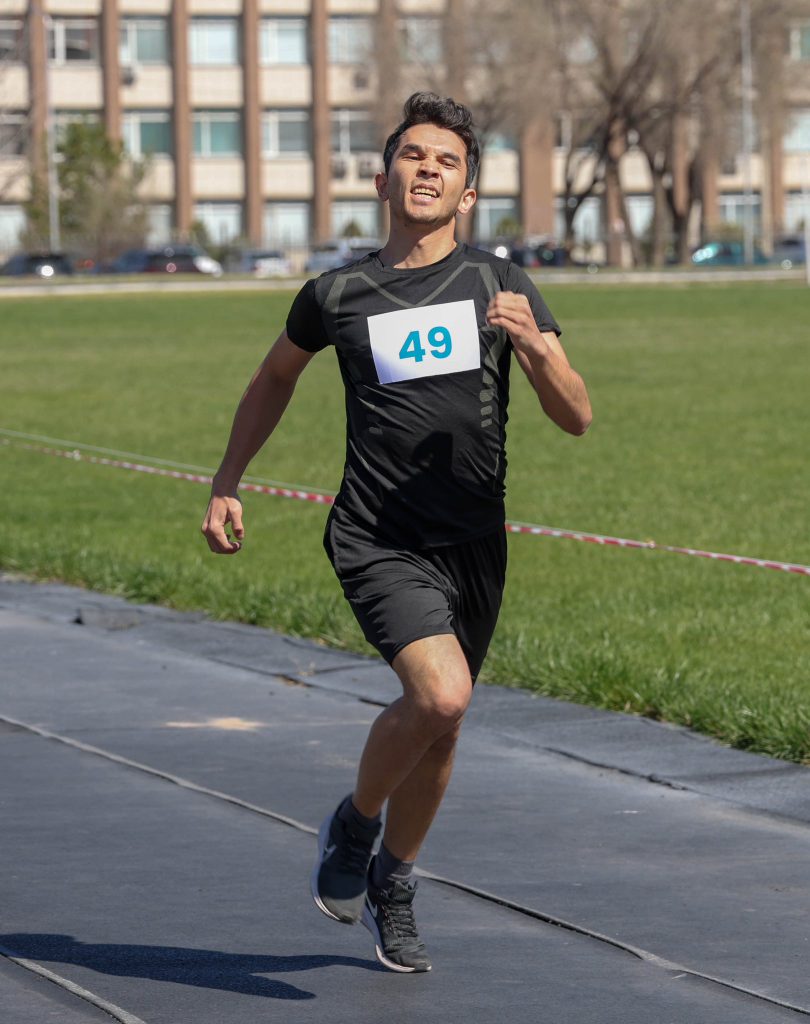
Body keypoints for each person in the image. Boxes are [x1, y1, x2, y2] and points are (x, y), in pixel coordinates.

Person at [201, 92, 592, 974]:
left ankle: (395, 880)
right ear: (382, 180)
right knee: (443, 696)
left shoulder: (501, 286)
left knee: (442, 725)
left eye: (447, 162)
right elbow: (272, 380)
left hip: (473, 540)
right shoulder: (338, 294)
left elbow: (577, 416)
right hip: (376, 535)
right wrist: (227, 481)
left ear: (467, 193)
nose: (428, 169)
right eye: (414, 155)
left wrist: (537, 351)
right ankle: (355, 825)